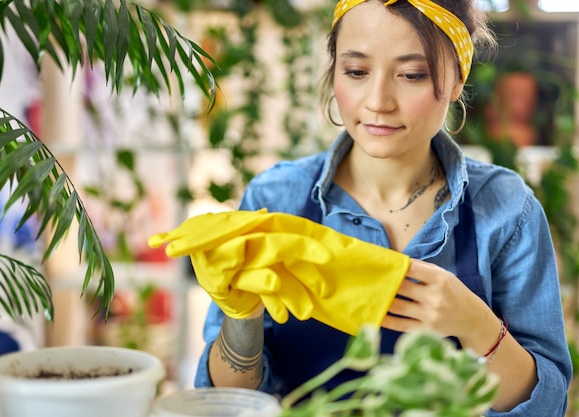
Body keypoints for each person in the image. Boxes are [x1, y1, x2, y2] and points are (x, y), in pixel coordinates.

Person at [193, 0, 573, 415]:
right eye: (356, 71)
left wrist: (476, 326)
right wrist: (241, 315)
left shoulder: (506, 210)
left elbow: (546, 405)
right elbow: (227, 402)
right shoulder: (275, 198)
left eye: (411, 75)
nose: (377, 101)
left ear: (458, 80)